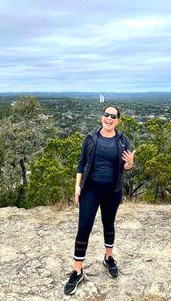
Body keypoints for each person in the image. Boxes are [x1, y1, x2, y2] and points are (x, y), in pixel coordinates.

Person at [64, 105, 135, 295]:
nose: (109, 118)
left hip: (112, 191)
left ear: (118, 121)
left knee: (108, 224)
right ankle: (77, 270)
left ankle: (108, 258)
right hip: (90, 190)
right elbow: (81, 163)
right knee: (84, 227)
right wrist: (77, 187)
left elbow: (126, 166)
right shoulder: (91, 138)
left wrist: (129, 164)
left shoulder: (122, 140)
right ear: (102, 117)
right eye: (106, 115)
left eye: (113, 116)